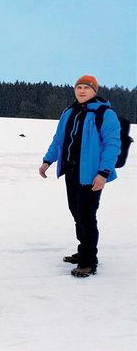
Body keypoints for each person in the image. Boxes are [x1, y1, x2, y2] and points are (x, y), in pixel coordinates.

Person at [39, 75, 121, 278]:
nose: (81, 91)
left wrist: (103, 173)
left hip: (92, 175)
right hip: (71, 172)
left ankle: (88, 261)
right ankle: (83, 250)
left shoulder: (105, 113)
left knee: (86, 216)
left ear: (95, 91)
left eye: (86, 87)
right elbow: (59, 140)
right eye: (78, 87)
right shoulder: (69, 112)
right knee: (76, 212)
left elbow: (112, 146)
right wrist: (48, 161)